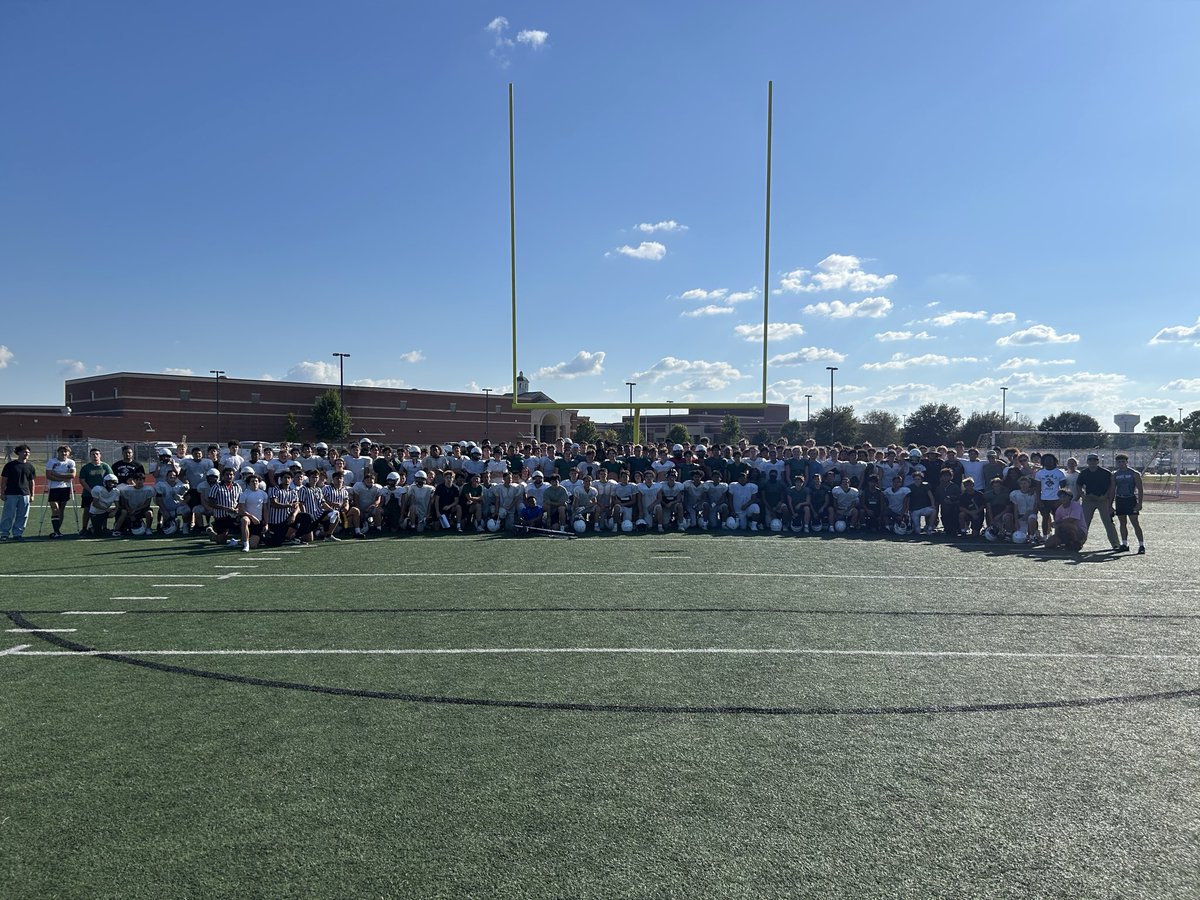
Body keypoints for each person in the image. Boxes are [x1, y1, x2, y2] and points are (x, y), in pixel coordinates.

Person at [1074, 453, 1121, 551]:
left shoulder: (1106, 473)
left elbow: (1111, 486)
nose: (1092, 462)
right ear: (1087, 462)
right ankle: (1079, 542)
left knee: (1108, 522)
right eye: (1090, 460)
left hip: (1102, 500)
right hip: (1089, 500)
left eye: (1094, 460)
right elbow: (1078, 485)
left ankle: (1115, 544)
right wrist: (1082, 495)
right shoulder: (1084, 473)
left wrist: (1106, 496)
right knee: (1084, 523)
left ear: (1098, 461)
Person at [1, 445, 36, 541]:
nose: (26, 454)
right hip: (11, 494)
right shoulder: (10, 465)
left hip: (25, 494)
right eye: (24, 452)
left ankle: (18, 533)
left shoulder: (30, 466)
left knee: (23, 515)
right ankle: (4, 533)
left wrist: (32, 494)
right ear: (18, 453)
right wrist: (2, 493)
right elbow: (4, 480)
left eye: (28, 452)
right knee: (8, 515)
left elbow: (32, 482)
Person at [1112, 453, 1145, 553]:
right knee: (1122, 523)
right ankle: (1124, 544)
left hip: (1130, 499)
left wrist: (1139, 503)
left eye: (1123, 461)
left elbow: (1140, 489)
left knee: (1135, 522)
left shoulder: (1134, 474)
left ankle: (1141, 545)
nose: (1121, 463)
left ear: (1127, 462)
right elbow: (1112, 490)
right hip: (1120, 500)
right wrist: (1110, 505)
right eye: (1119, 462)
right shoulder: (1115, 475)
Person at [77, 448, 113, 535]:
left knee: (103, 510)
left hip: (102, 494)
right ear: (90, 456)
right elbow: (82, 480)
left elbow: (110, 478)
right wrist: (91, 490)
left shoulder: (105, 466)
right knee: (87, 510)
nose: (95, 456)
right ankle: (84, 528)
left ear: (100, 455)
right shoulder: (86, 468)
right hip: (88, 493)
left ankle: (104, 528)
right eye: (93, 454)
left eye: (97, 454)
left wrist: (106, 490)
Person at [44, 445, 76, 538]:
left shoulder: (71, 462)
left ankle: (58, 531)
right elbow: (49, 475)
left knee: (61, 510)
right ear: (58, 452)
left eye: (66, 451)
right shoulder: (52, 462)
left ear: (69, 453)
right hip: (54, 488)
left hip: (65, 488)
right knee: (55, 509)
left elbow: (72, 475)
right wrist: (62, 478)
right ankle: (56, 531)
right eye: (61, 451)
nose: (63, 453)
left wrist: (56, 474)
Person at [236, 473, 268, 551]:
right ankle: (246, 544)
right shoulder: (244, 494)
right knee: (244, 520)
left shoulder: (263, 494)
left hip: (258, 522)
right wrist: (252, 517)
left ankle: (239, 542)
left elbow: (265, 510)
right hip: (249, 519)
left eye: (256, 481)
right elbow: (241, 510)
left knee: (253, 545)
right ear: (249, 483)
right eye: (252, 481)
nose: (254, 483)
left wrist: (266, 524)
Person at [154, 469, 189, 534]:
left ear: (176, 477)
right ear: (166, 477)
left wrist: (184, 501)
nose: (172, 476)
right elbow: (158, 499)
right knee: (167, 527)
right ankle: (172, 522)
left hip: (177, 507)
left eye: (174, 475)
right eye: (170, 475)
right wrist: (164, 510)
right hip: (166, 508)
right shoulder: (161, 485)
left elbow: (188, 496)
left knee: (186, 510)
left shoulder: (181, 485)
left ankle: (185, 527)